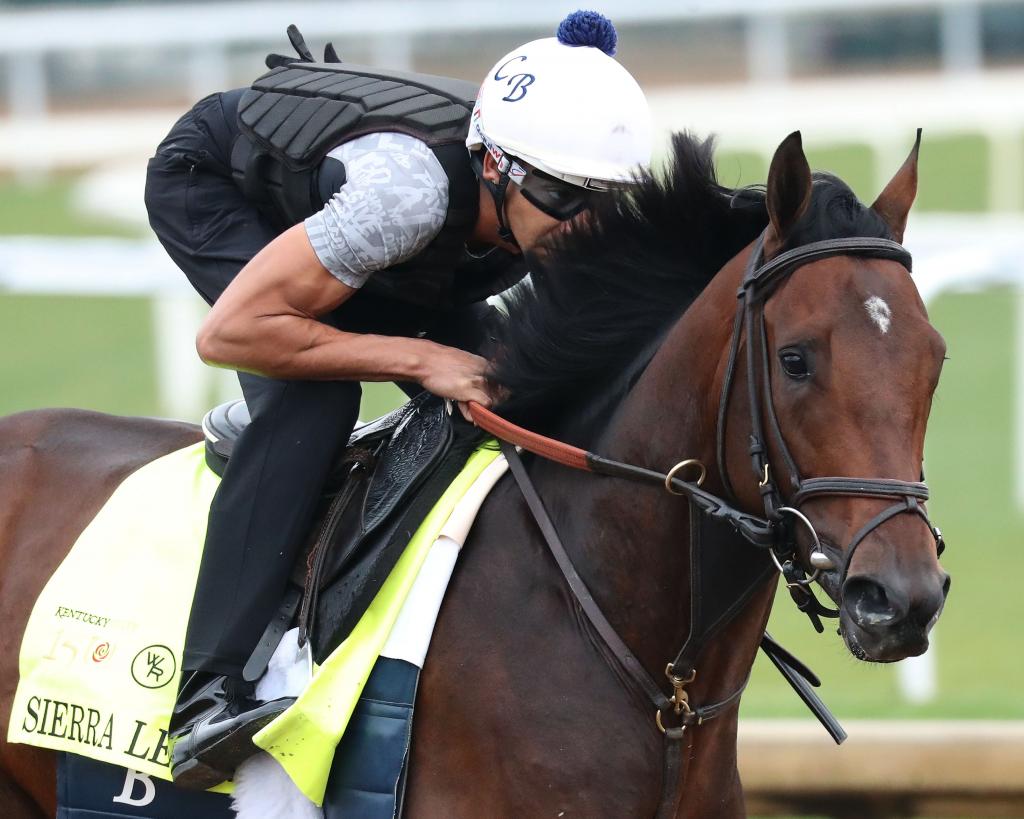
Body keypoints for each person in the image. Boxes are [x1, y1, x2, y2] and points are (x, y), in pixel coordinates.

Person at [144, 10, 652, 788]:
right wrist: (418, 357)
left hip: (390, 245)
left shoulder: (537, 192)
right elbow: (230, 335)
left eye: (606, 203)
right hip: (221, 189)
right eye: (560, 197)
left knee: (513, 389)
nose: (584, 226)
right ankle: (204, 695)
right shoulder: (407, 198)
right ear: (497, 168)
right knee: (312, 402)